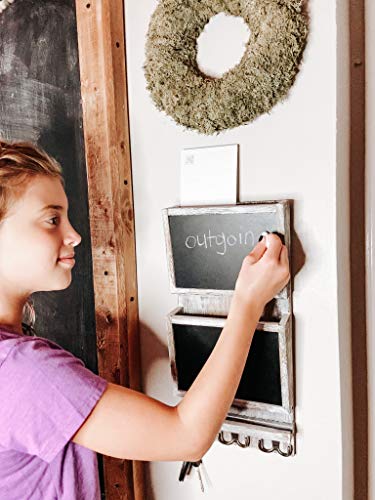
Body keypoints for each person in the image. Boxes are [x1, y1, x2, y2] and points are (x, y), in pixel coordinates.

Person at [0, 139, 290, 499]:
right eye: (52, 219)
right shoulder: (21, 370)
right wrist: (248, 302)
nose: (73, 235)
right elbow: (187, 437)